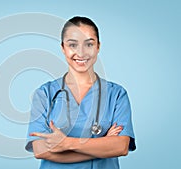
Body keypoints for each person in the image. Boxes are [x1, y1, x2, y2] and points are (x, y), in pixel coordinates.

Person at [25, 16, 136, 169]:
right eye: (73, 45)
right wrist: (103, 147)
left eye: (89, 44)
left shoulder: (116, 94)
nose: (81, 53)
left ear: (98, 47)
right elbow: (40, 150)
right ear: (63, 48)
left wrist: (66, 143)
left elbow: (121, 147)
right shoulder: (45, 94)